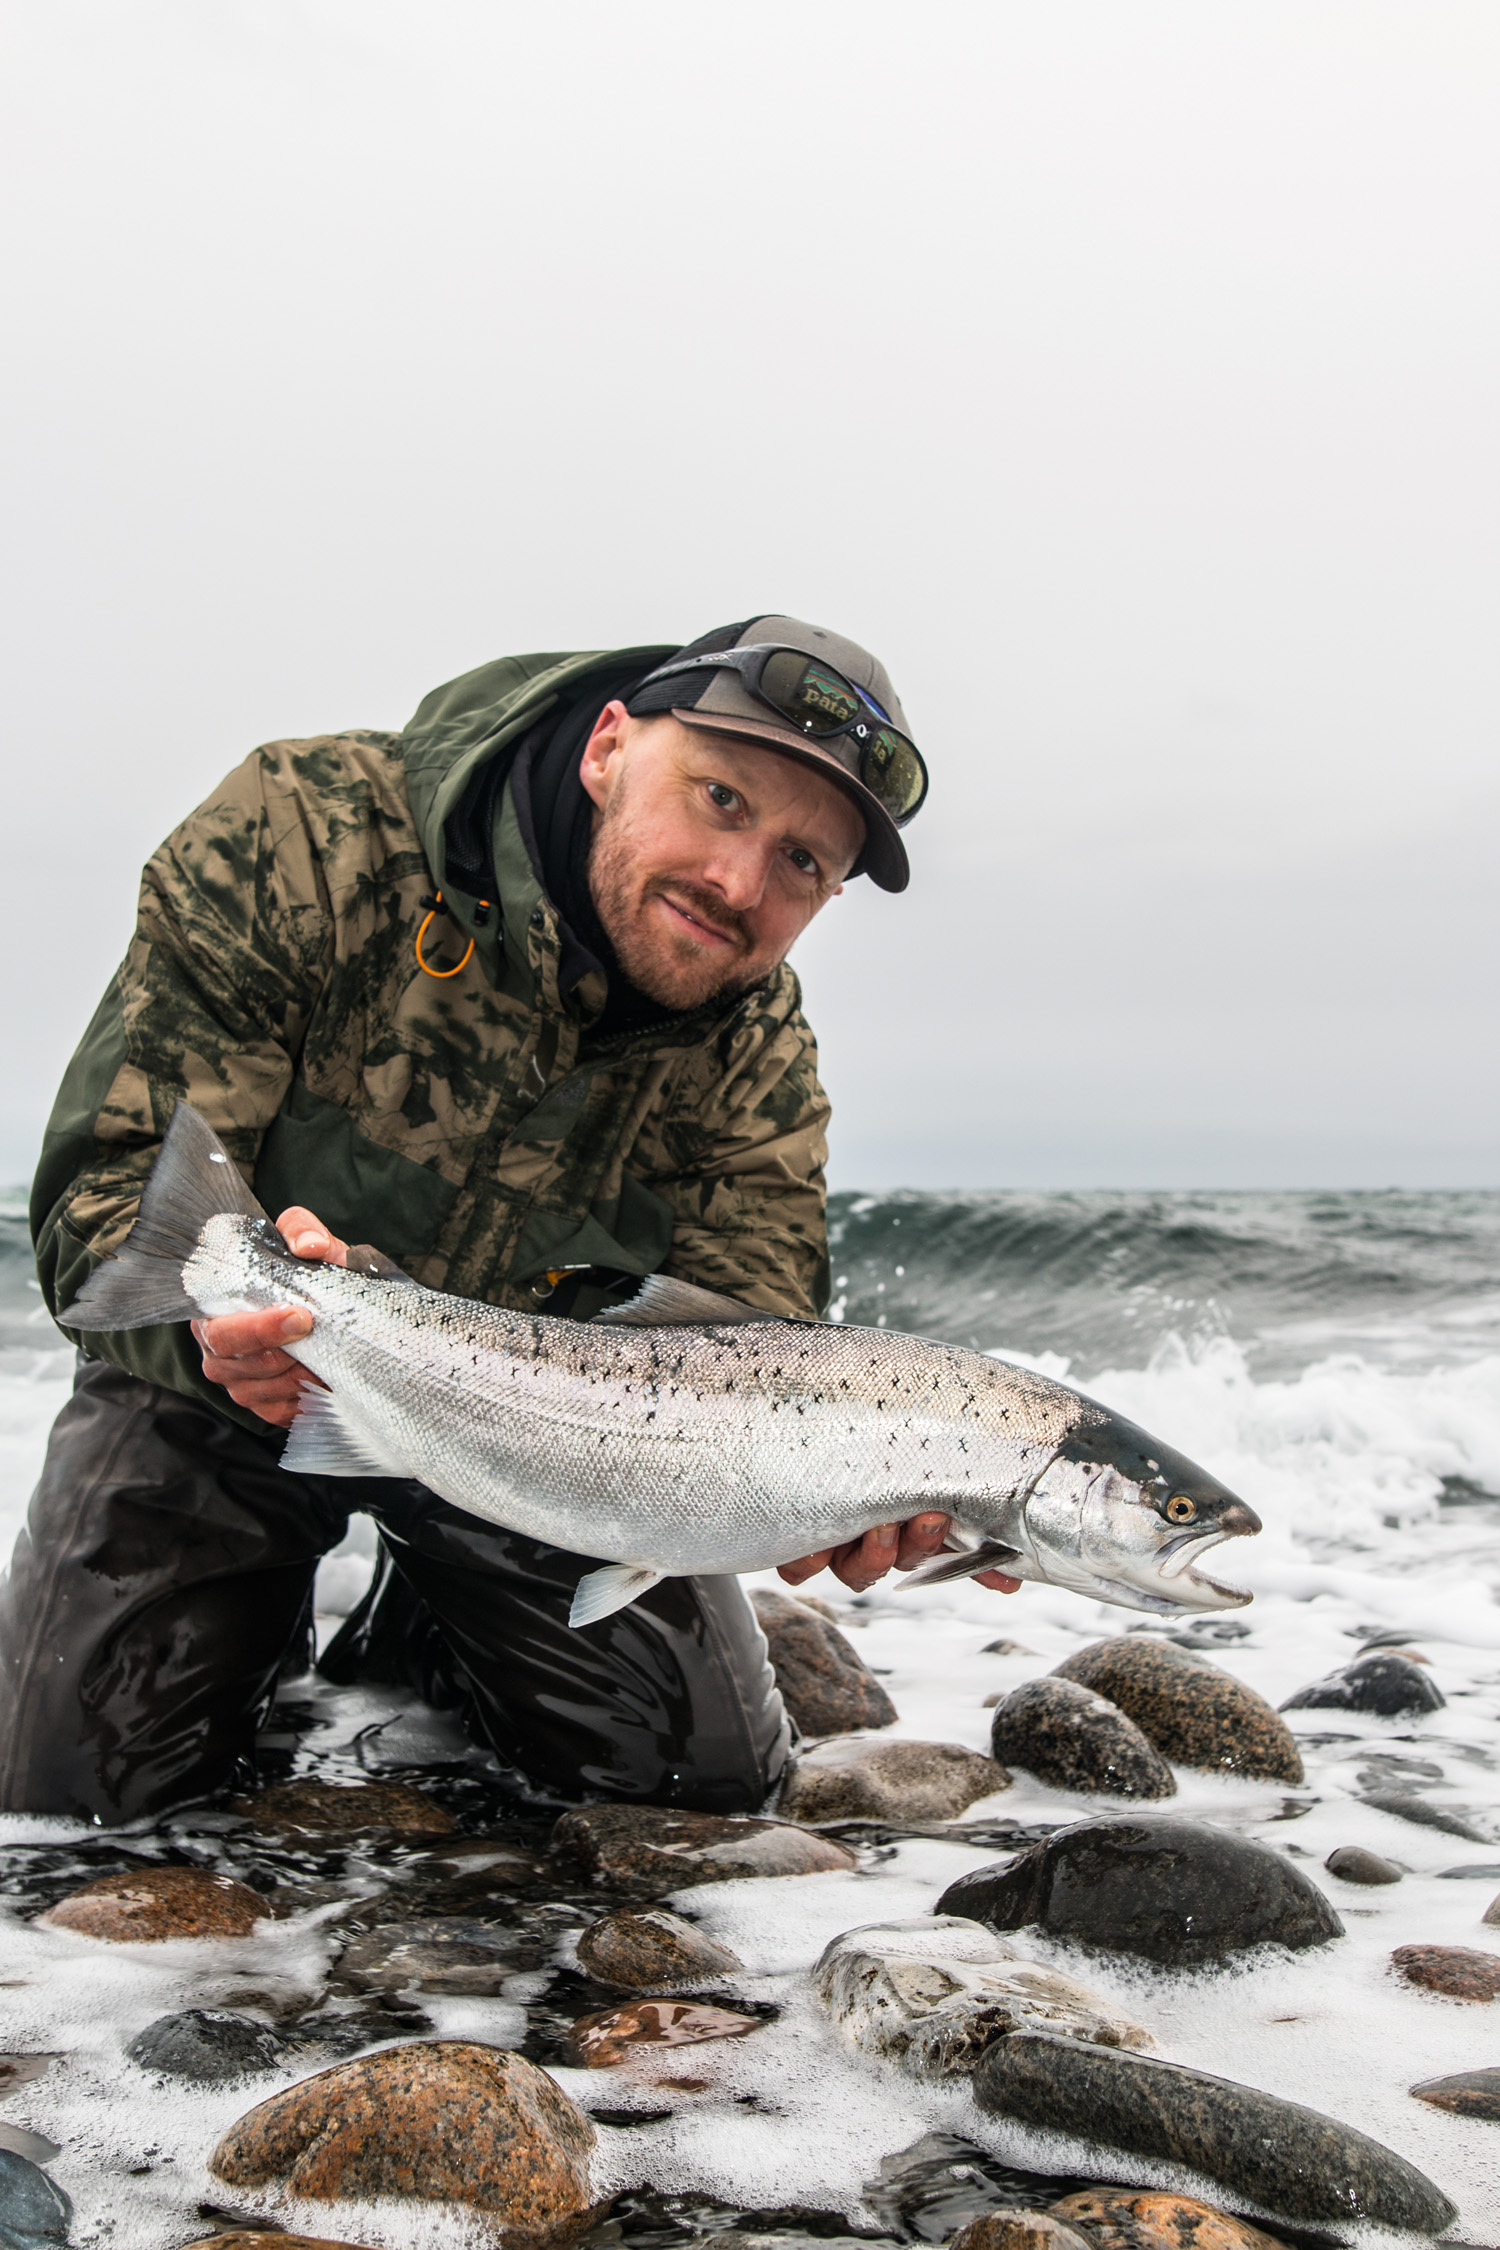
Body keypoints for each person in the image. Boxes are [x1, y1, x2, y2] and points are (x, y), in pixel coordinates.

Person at [0, 615, 1016, 1826]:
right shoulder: (301, 830)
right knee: (73, 1804)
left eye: (804, 864)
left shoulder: (759, 1055)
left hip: (557, 1450)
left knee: (699, 1794)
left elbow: (758, 1328)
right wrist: (225, 1329)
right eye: (722, 800)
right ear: (606, 749)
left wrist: (818, 1497)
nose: (740, 882)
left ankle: (429, 1630)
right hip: (223, 1380)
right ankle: (254, 1632)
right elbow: (108, 1193)